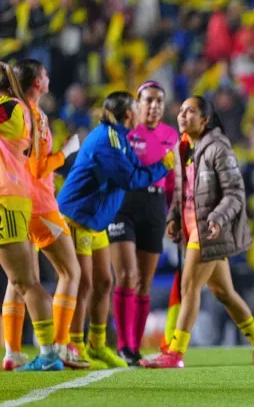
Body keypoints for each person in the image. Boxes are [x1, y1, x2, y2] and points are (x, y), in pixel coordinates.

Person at [141, 96, 254, 368]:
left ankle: (175, 353)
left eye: (189, 111)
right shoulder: (182, 149)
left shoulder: (218, 149)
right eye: (180, 110)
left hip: (210, 231)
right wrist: (173, 218)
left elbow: (235, 193)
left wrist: (217, 218)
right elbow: (182, 193)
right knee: (224, 293)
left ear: (204, 120)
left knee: (188, 287)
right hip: (192, 230)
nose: (181, 115)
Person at [57, 91, 174, 369]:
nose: (140, 111)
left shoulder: (119, 138)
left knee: (104, 283)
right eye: (136, 106)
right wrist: (163, 167)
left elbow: (132, 166)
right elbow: (130, 177)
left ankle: (97, 346)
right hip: (77, 216)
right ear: (128, 113)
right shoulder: (107, 139)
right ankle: (74, 344)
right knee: (83, 283)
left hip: (96, 220)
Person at [2, 60, 86, 371]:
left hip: (22, 199)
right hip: (38, 203)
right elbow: (38, 168)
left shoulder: (21, 111)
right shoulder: (29, 114)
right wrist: (66, 153)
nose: (49, 77)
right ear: (37, 82)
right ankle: (56, 348)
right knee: (68, 272)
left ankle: (13, 352)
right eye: (45, 74)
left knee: (19, 279)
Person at [109, 81, 178, 365]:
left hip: (154, 205)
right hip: (124, 204)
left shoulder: (171, 135)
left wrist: (174, 215)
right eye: (148, 100)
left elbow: (174, 183)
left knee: (144, 282)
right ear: (137, 104)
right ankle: (122, 344)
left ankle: (134, 348)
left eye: (159, 101)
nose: (154, 106)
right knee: (125, 275)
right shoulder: (126, 133)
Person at [0, 62, 63, 372]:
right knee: (19, 280)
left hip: (7, 201)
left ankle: (51, 352)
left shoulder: (11, 108)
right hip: (8, 198)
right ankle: (15, 351)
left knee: (26, 281)